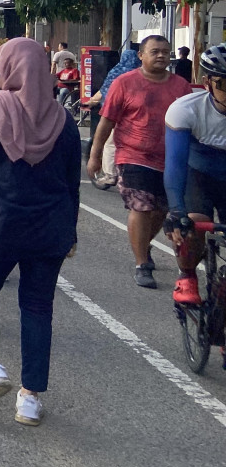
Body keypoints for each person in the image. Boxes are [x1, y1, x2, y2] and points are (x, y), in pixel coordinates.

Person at [0, 38, 80, 427]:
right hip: (50, 229)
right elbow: (71, 182)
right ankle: (29, 398)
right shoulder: (64, 120)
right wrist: (70, 232)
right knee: (38, 307)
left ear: (5, 68)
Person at [88, 34, 191, 288]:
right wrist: (95, 155)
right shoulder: (124, 83)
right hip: (133, 155)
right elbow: (106, 122)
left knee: (161, 209)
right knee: (141, 206)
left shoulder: (181, 86)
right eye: (155, 51)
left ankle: (143, 245)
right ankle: (142, 263)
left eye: (166, 52)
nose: (161, 56)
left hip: (170, 159)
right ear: (141, 56)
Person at [163, 44, 226, 305]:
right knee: (193, 223)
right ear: (207, 83)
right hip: (196, 175)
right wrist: (177, 212)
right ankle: (187, 275)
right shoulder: (185, 109)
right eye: (224, 84)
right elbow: (175, 164)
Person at [86, 46, 139, 189]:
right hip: (138, 117)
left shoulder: (117, 73)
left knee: (110, 142)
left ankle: (110, 175)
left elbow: (104, 92)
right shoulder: (142, 74)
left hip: (117, 115)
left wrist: (89, 102)